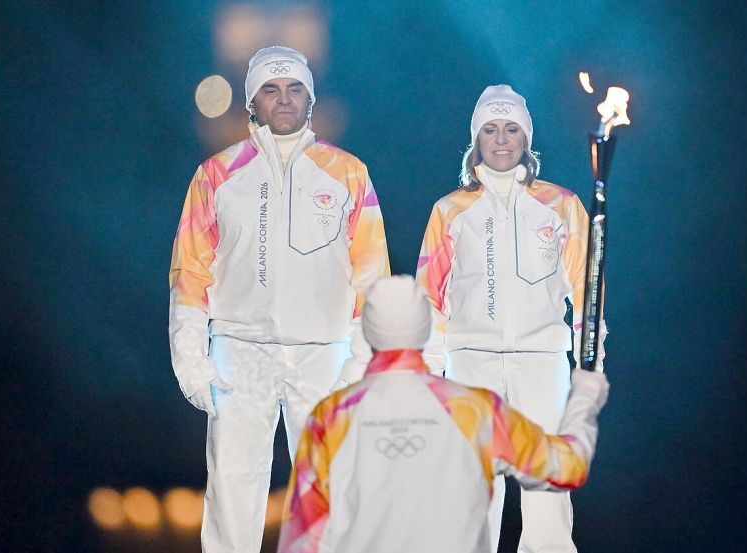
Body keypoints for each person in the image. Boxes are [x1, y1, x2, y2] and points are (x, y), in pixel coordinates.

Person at [168, 45, 389, 552]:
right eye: (270, 89)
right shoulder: (216, 175)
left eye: (295, 89)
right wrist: (191, 361)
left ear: (311, 99)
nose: (284, 99)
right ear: (252, 103)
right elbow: (190, 270)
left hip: (324, 352)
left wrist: (359, 363)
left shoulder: (348, 173)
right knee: (232, 492)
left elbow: (372, 275)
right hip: (239, 351)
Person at [277, 275, 610, 553]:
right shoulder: (475, 411)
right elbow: (567, 467)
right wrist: (585, 396)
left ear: (367, 331)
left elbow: (303, 539)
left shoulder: (331, 417)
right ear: (426, 330)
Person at [415, 84, 608, 552]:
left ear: (526, 139)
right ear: (476, 139)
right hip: (470, 366)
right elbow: (429, 300)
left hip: (542, 364)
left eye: (511, 129)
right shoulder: (449, 211)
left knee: (547, 492)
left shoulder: (562, 206)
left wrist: (590, 361)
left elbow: (588, 292)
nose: (501, 139)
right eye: (490, 129)